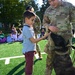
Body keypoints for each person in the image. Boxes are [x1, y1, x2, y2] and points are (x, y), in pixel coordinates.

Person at [43, 0, 75, 75]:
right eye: (49, 1)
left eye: (53, 0)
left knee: (65, 60)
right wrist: (49, 27)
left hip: (66, 40)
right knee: (49, 60)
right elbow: (44, 22)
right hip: (52, 40)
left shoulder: (69, 6)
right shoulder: (48, 10)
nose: (51, 3)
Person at [22, 11, 50, 75]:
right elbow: (34, 41)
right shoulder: (26, 29)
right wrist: (44, 37)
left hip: (30, 50)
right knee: (29, 67)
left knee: (30, 65)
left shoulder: (29, 27)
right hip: (28, 51)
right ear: (26, 19)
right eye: (32, 20)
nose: (33, 22)